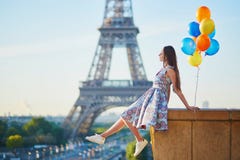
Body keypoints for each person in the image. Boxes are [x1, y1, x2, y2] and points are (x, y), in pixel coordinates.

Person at [85, 45, 200, 157]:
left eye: (161, 53)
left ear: (166, 56)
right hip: (150, 96)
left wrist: (187, 106)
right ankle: (102, 137)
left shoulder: (170, 71)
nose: (158, 54)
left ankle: (139, 140)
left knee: (126, 114)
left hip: (155, 99)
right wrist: (166, 103)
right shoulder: (164, 69)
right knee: (124, 117)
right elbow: (168, 89)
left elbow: (176, 90)